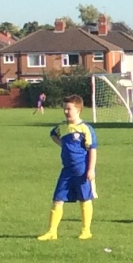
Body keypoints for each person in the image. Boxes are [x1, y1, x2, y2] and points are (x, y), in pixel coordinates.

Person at [39, 95, 99, 241]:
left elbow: (92, 149)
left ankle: (86, 231)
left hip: (82, 170)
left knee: (85, 199)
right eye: (64, 108)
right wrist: (62, 144)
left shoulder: (85, 128)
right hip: (67, 170)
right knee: (58, 199)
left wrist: (91, 169)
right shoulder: (62, 127)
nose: (66, 111)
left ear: (78, 109)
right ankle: (52, 232)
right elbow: (53, 135)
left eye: (69, 108)